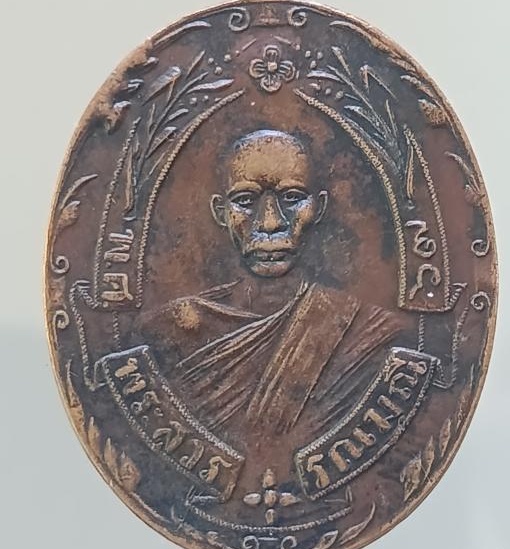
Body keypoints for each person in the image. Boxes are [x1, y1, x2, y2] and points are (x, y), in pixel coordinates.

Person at [136, 129, 402, 438]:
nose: (271, 222)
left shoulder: (369, 333)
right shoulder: (169, 330)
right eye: (245, 200)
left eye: (292, 198)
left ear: (319, 207)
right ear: (221, 213)